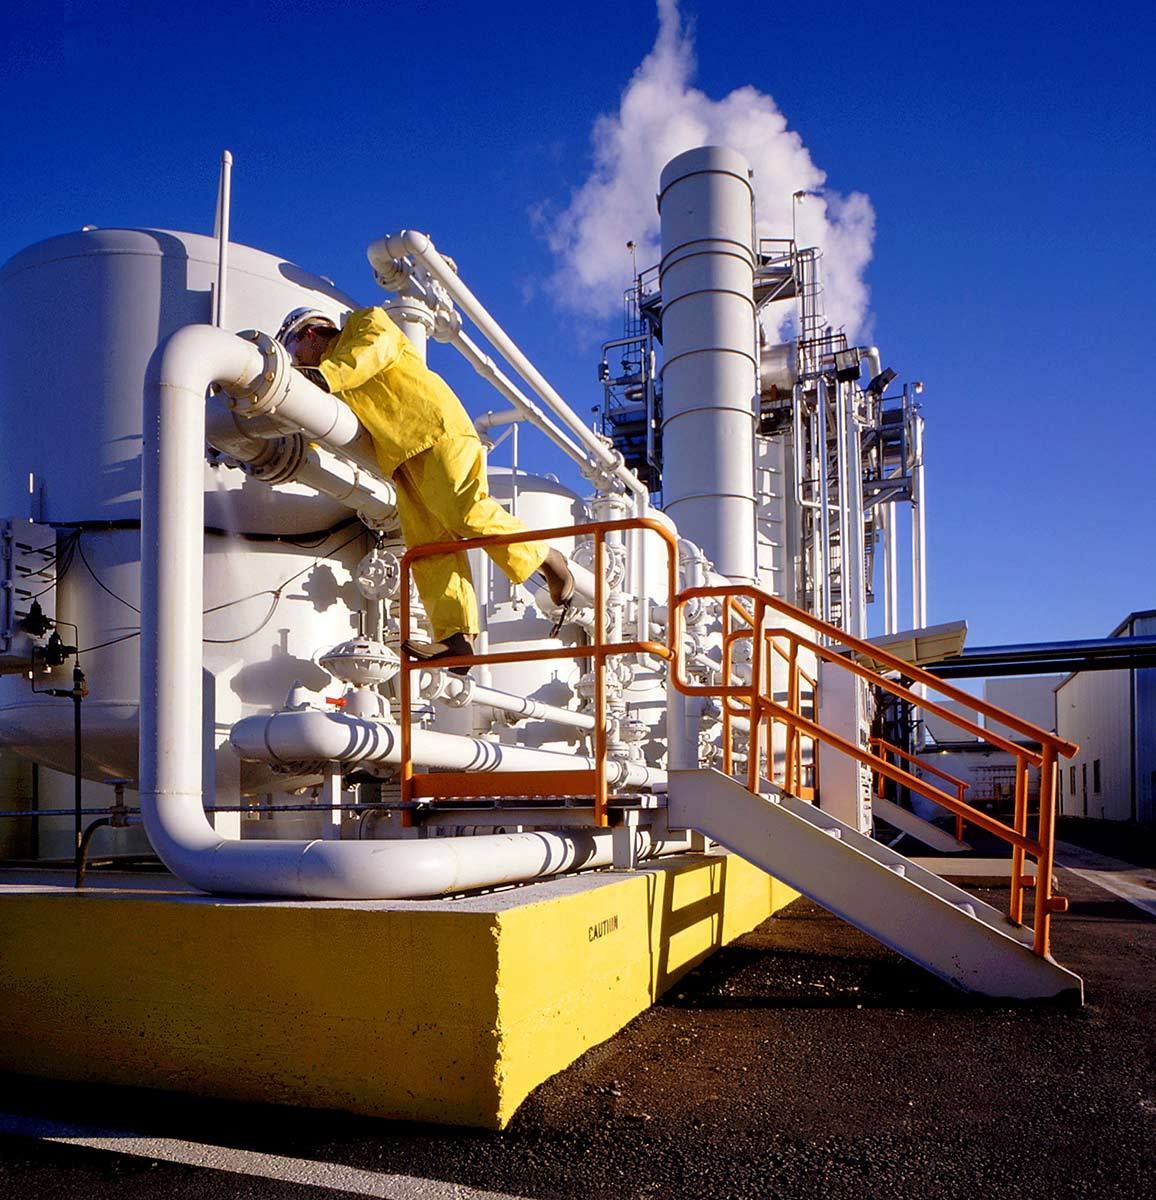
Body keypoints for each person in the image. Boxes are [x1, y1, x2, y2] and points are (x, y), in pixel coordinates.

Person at [276, 307, 574, 675]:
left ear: (307, 334)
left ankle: (547, 558)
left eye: (293, 351)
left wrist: (322, 377)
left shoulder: (364, 324)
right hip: (401, 460)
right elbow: (326, 425)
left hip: (436, 432)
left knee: (465, 513)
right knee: (428, 549)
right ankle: (455, 639)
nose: (295, 361)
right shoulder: (334, 379)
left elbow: (372, 351)